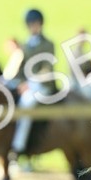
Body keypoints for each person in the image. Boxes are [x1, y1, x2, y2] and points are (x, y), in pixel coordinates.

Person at [9, 9, 58, 160]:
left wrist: (30, 84)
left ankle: (18, 146)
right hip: (26, 85)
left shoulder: (48, 44)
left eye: (35, 24)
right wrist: (19, 83)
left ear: (40, 24)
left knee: (27, 102)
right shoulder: (25, 45)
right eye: (30, 24)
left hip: (43, 85)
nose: (33, 27)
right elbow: (20, 70)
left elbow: (47, 69)